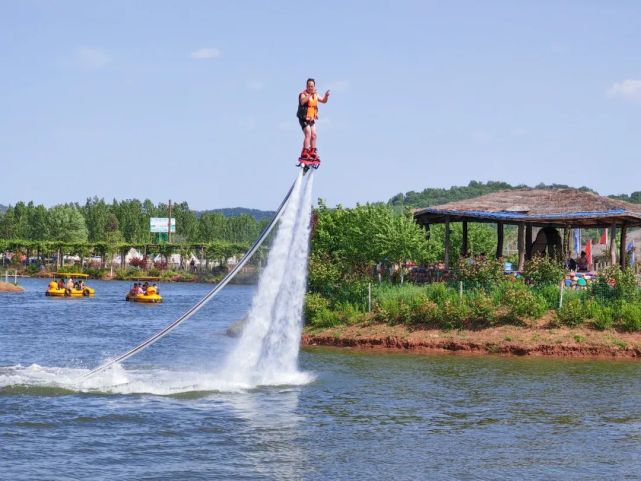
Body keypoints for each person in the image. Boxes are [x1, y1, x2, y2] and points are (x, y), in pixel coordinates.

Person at [297, 78, 330, 163]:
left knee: (314, 135)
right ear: (306, 86)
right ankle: (305, 152)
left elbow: (323, 101)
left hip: (311, 118)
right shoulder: (303, 94)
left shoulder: (315, 95)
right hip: (303, 118)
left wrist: (326, 96)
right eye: (309, 86)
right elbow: (302, 102)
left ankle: (312, 152)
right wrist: (310, 94)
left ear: (314, 86)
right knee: (308, 133)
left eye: (312, 86)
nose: (310, 88)